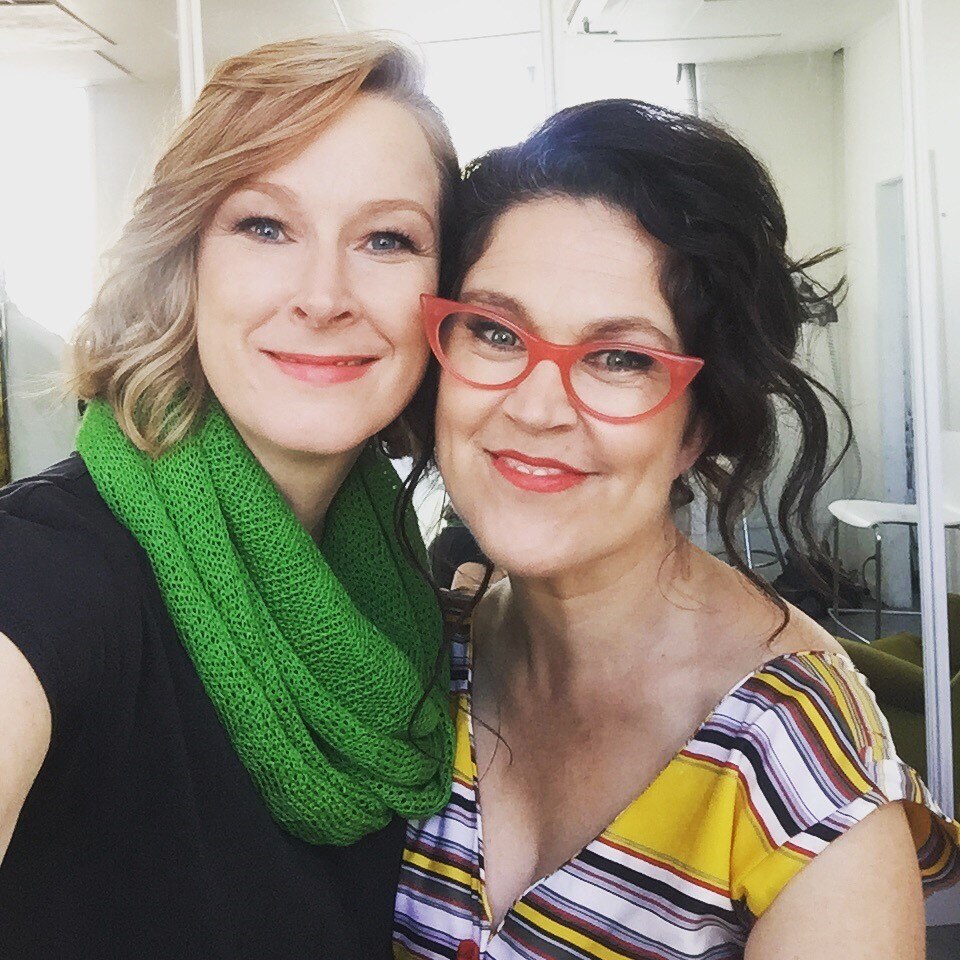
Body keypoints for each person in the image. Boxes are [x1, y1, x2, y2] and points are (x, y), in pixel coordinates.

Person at [393, 100, 960, 960]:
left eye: (621, 357)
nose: (537, 407)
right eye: (497, 332)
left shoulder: (797, 766)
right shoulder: (425, 654)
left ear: (700, 423)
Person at [0, 34, 460, 959]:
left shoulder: (395, 594)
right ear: (185, 262)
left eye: (386, 239)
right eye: (265, 226)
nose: (323, 296)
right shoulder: (47, 570)